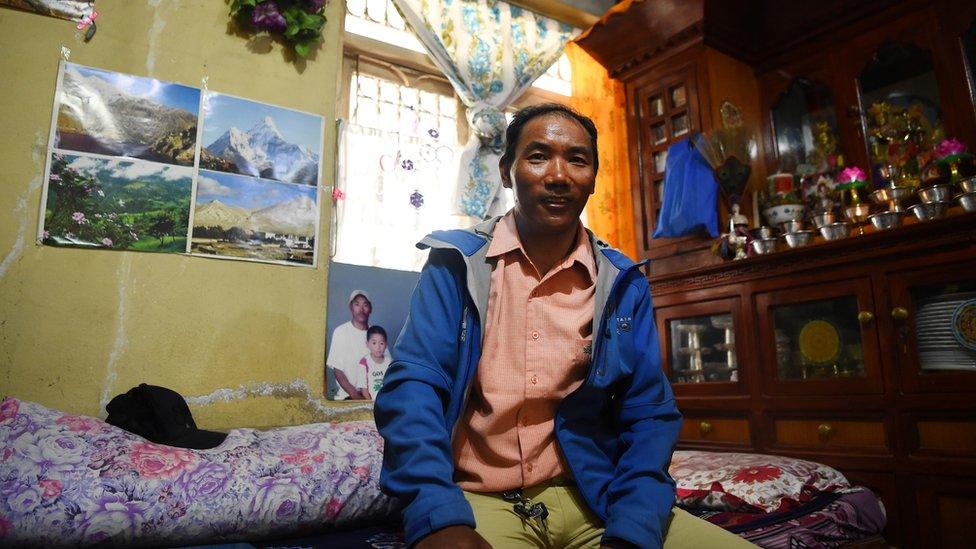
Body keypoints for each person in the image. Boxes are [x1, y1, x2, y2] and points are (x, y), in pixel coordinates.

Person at [374, 103, 754, 548]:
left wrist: (633, 523)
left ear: (593, 176)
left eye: (577, 159)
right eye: (537, 157)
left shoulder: (622, 282)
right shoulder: (456, 265)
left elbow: (649, 412)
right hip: (480, 499)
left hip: (593, 498)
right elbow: (414, 387)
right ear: (505, 171)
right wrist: (437, 515)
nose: (559, 175)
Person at [327, 290, 383, 400]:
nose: (361, 309)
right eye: (357, 304)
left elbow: (386, 365)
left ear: (370, 309)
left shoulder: (376, 334)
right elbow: (338, 371)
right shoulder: (341, 332)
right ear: (351, 307)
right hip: (348, 398)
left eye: (365, 305)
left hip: (373, 399)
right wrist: (356, 396)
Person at [358, 325, 391, 400]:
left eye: (381, 343)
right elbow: (364, 389)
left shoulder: (390, 362)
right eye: (374, 343)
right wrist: (371, 405)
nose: (378, 347)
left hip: (388, 402)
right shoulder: (364, 363)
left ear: (386, 345)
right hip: (372, 403)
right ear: (367, 344)